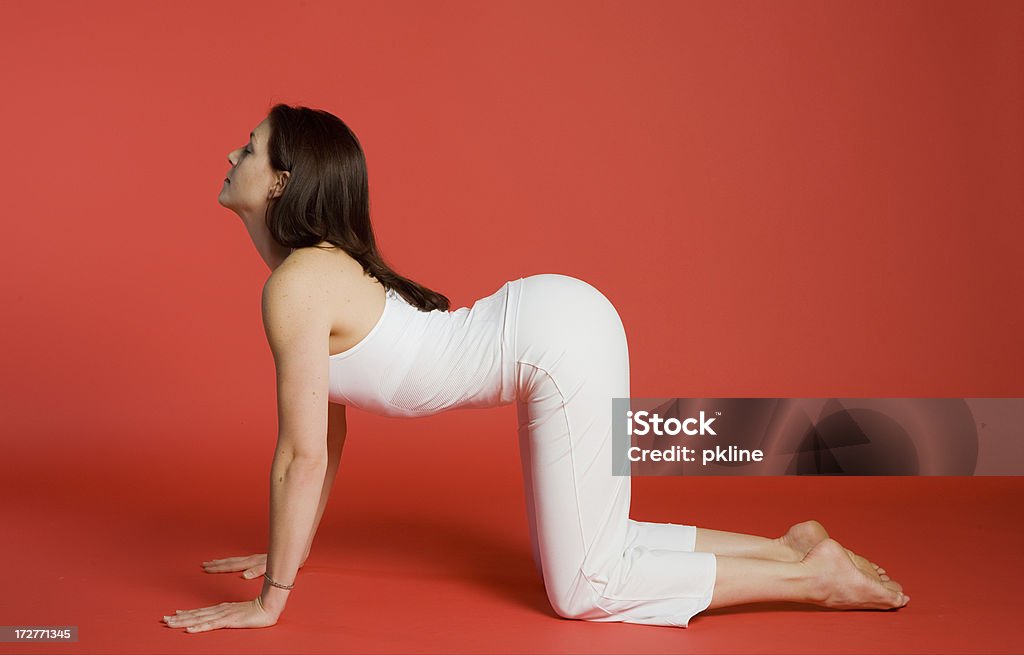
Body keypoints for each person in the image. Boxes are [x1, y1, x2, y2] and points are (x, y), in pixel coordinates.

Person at [162, 104, 909, 633]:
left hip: (554, 341)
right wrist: (288, 545)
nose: (232, 156)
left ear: (284, 181)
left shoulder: (294, 285)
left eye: (250, 146)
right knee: (595, 543)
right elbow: (328, 431)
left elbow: (301, 454)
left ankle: (813, 579)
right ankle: (791, 547)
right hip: (556, 326)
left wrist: (272, 597)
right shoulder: (313, 275)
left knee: (584, 587)